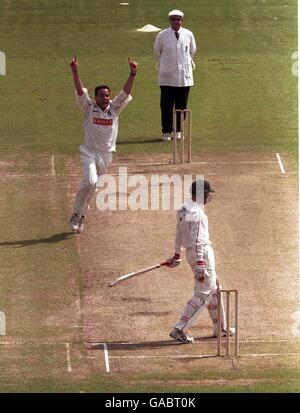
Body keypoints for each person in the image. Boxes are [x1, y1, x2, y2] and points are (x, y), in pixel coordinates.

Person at [68, 53, 138, 233]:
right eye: (102, 96)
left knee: (92, 186)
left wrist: (132, 74)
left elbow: (126, 92)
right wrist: (75, 71)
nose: (105, 98)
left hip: (106, 154)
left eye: (107, 96)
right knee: (90, 181)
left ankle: (81, 215)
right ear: (96, 97)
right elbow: (79, 91)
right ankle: (76, 214)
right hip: (89, 151)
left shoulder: (115, 108)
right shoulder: (88, 107)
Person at [166, 180, 235, 343]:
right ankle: (179, 328)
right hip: (201, 254)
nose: (209, 196)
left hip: (194, 253)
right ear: (201, 194)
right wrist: (200, 264)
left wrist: (177, 254)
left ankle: (221, 328)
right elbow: (197, 239)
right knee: (204, 292)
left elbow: (179, 234)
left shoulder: (183, 209)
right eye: (207, 193)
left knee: (215, 288)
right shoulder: (197, 213)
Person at [153, 9, 196, 141]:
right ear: (169, 20)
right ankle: (166, 131)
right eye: (173, 19)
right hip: (167, 78)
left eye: (178, 19)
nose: (176, 21)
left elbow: (192, 51)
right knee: (166, 106)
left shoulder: (188, 34)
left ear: (182, 21)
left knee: (181, 106)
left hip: (184, 78)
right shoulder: (162, 35)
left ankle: (178, 131)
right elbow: (156, 52)